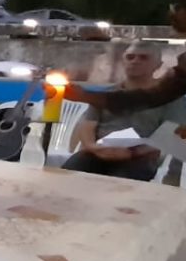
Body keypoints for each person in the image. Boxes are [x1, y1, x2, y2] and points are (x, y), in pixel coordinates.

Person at [62, 41, 186, 182]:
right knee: (68, 178)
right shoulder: (106, 94)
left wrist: (132, 152)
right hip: (98, 152)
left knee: (120, 184)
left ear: (158, 65)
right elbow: (88, 125)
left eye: (143, 58)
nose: (135, 62)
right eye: (130, 57)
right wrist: (94, 148)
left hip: (141, 157)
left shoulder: (170, 96)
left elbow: (171, 134)